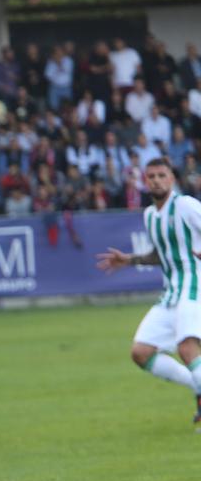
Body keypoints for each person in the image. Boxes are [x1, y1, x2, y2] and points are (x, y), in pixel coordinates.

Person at [96, 158, 201, 423]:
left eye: (161, 175)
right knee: (141, 353)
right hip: (171, 294)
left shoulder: (186, 206)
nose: (156, 180)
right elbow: (161, 254)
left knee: (187, 347)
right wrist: (130, 260)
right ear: (145, 181)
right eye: (151, 176)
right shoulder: (150, 215)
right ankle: (198, 388)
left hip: (195, 286)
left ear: (172, 179)